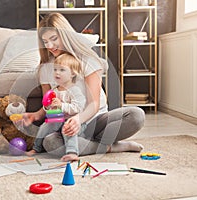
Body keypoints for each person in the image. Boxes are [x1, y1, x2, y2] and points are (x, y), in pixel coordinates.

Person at [21, 13, 144, 162]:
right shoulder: (45, 68)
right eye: (45, 41)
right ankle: (111, 147)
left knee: (136, 116)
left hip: (95, 119)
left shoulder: (87, 60)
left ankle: (89, 144)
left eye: (54, 39)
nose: (49, 46)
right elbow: (49, 102)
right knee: (50, 143)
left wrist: (78, 120)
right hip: (66, 126)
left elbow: (94, 104)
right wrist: (36, 115)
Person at [26, 53, 86, 161]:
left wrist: (61, 105)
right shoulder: (54, 90)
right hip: (57, 119)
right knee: (44, 127)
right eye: (55, 69)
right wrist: (48, 107)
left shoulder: (74, 90)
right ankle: (36, 148)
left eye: (62, 70)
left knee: (67, 130)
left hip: (72, 121)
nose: (57, 73)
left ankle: (72, 152)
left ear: (72, 73)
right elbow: (47, 107)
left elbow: (78, 107)